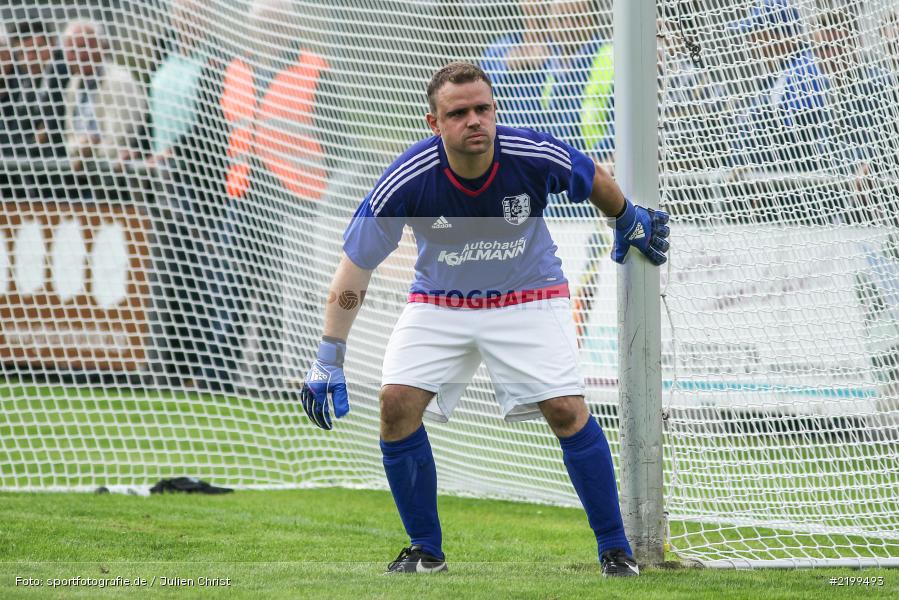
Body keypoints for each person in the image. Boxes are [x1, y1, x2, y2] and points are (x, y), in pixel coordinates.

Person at [299, 62, 670, 576]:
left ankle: (614, 549)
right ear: (434, 123)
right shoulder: (407, 178)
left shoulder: (530, 152)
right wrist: (328, 357)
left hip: (528, 297)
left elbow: (591, 176)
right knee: (395, 404)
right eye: (459, 113)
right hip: (440, 304)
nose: (475, 121)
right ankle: (425, 551)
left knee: (565, 408)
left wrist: (626, 216)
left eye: (483, 109)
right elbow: (354, 270)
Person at [219, 0, 328, 393]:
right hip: (243, 194)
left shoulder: (314, 68)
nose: (270, 29)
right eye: (264, 22)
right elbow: (226, 132)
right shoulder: (236, 69)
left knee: (284, 292)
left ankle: (279, 375)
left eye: (277, 22)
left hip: (294, 197)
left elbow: (334, 138)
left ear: (290, 26)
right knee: (237, 285)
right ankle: (223, 377)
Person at [149, 0, 240, 392]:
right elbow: (153, 114)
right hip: (161, 180)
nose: (186, 18)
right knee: (170, 272)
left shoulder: (219, 62)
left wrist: (176, 151)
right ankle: (173, 364)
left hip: (204, 183)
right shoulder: (162, 52)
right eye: (181, 11)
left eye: (194, 11)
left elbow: (216, 124)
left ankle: (207, 368)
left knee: (204, 274)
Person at [729, 0, 830, 221]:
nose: (750, 41)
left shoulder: (804, 70)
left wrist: (753, 160)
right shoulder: (776, 75)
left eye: (755, 32)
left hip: (796, 203)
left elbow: (802, 140)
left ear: (778, 33)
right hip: (766, 195)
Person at [811, 9, 899, 222]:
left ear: (855, 43)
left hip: (882, 209)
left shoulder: (883, 86)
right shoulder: (823, 93)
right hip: (841, 208)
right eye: (823, 48)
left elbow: (889, 144)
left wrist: (871, 165)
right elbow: (824, 156)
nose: (831, 55)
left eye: (837, 46)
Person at [62, 20, 146, 172]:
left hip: (118, 177)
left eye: (84, 46)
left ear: (102, 46)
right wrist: (79, 149)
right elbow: (69, 135)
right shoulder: (73, 86)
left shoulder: (119, 81)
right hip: (84, 179)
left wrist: (90, 152)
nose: (80, 55)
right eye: (72, 50)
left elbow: (122, 138)